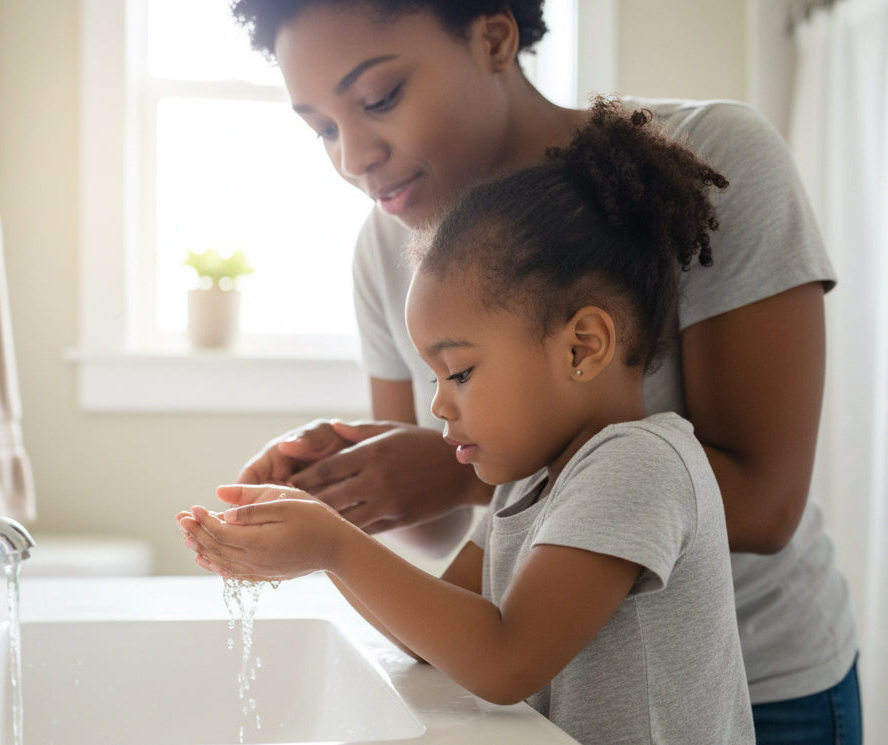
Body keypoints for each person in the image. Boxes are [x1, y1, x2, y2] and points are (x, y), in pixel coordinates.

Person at [220, 2, 861, 742]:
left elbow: (765, 502)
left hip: (759, 685)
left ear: (493, 36)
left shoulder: (708, 160)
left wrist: (426, 485)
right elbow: (444, 572)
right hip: (555, 706)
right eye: (322, 128)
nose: (352, 156)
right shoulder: (385, 248)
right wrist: (348, 483)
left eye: (379, 99)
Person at [179, 99, 754, 744]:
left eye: (459, 372)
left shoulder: (638, 465)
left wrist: (333, 546)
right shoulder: (533, 478)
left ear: (583, 346)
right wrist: (323, 546)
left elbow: (504, 661)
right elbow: (435, 639)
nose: (438, 405)